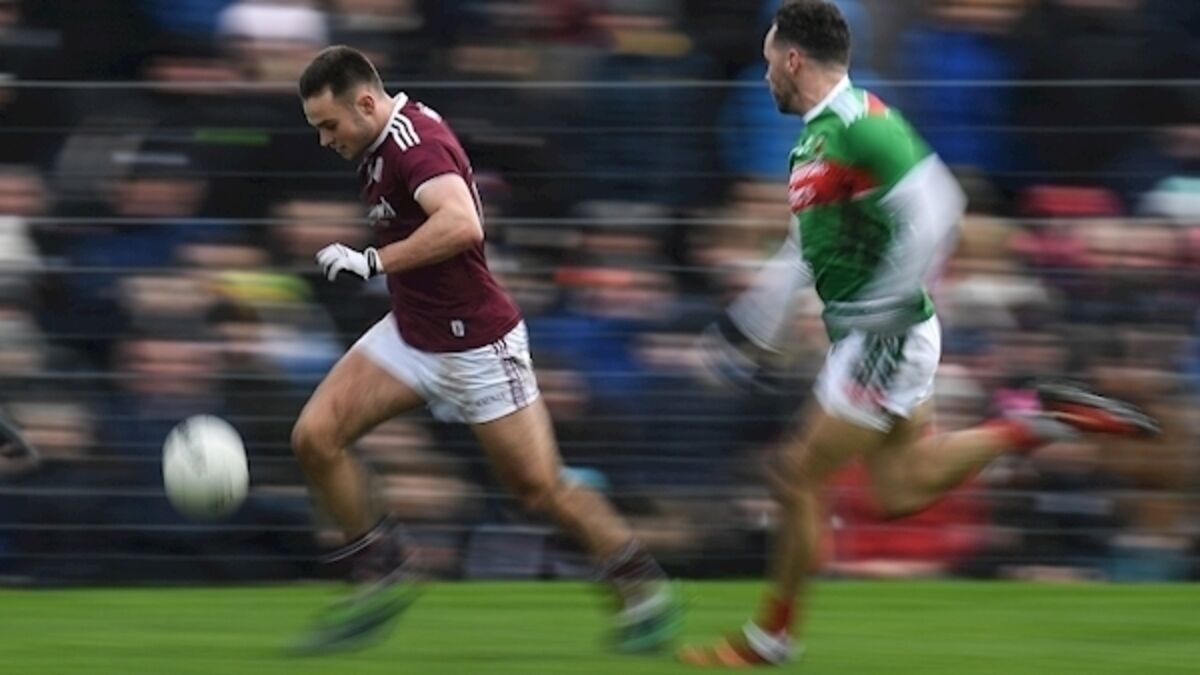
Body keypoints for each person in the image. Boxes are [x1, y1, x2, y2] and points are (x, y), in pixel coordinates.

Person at [678, 1, 1160, 667]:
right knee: (899, 490)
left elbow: (939, 206)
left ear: (793, 60)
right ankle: (1037, 421)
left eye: (767, 63)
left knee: (793, 475)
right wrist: (743, 331)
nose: (763, 77)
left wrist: (886, 305)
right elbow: (801, 252)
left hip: (885, 336)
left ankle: (770, 641)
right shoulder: (815, 141)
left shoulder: (863, 124)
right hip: (874, 338)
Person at [288, 45, 679, 654]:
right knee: (315, 436)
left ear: (365, 104)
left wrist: (373, 262)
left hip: (478, 346)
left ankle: (641, 587)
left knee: (539, 489)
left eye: (329, 125)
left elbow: (462, 224)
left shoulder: (414, 144)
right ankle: (382, 571)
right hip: (413, 331)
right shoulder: (379, 140)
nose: (324, 140)